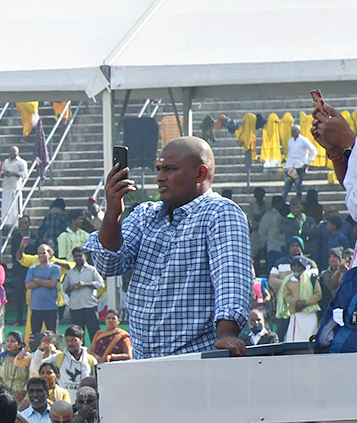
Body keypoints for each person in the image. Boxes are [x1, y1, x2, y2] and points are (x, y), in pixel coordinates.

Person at [86, 136, 251, 359]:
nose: (160, 177)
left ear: (200, 173)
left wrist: (227, 333)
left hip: (196, 358)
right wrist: (113, 212)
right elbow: (108, 265)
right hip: (146, 362)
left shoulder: (220, 213)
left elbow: (230, 278)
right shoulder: (145, 215)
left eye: (170, 170)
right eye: (159, 169)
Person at [281, 255, 322, 342]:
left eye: (299, 266)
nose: (296, 268)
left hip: (310, 312)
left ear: (303, 267)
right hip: (296, 312)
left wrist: (305, 303)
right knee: (294, 339)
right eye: (294, 266)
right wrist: (296, 303)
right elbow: (286, 295)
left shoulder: (312, 278)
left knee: (310, 336)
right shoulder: (288, 280)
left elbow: (318, 294)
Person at [24, 244, 62, 333]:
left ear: (49, 254)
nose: (41, 255)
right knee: (35, 335)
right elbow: (28, 285)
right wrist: (45, 282)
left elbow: (52, 284)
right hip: (36, 308)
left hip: (51, 307)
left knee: (52, 335)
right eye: (39, 253)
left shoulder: (55, 268)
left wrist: (37, 280)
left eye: (43, 253)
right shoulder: (32, 269)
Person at [51, 325, 97, 391]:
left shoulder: (90, 360)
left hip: (83, 400)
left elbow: (97, 382)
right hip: (64, 400)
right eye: (67, 340)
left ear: (81, 341)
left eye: (73, 340)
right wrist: (41, 349)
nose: (70, 343)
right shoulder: (58, 358)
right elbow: (36, 367)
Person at [282, 124, 317, 201]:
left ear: (299, 131)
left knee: (298, 187)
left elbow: (314, 151)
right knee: (286, 186)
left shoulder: (304, 140)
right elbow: (290, 154)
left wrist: (307, 162)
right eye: (292, 131)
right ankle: (281, 202)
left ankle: (299, 203)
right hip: (291, 167)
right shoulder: (290, 141)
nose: (292, 133)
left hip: (300, 167)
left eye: (294, 131)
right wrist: (286, 166)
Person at [0, 331, 30, 400]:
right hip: (4, 396)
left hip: (24, 397)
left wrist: (23, 393)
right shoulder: (0, 357)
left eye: (12, 341)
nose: (9, 343)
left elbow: (31, 377)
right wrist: (8, 392)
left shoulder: (27, 358)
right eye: (8, 341)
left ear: (19, 345)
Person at [0, 145, 29, 228]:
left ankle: (15, 223)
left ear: (18, 152)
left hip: (15, 187)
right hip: (6, 186)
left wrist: (13, 174)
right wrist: (5, 173)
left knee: (15, 206)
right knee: (5, 205)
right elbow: (1, 172)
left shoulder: (21, 162)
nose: (12, 153)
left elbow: (24, 174)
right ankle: (5, 223)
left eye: (14, 151)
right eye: (11, 151)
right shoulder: (6, 162)